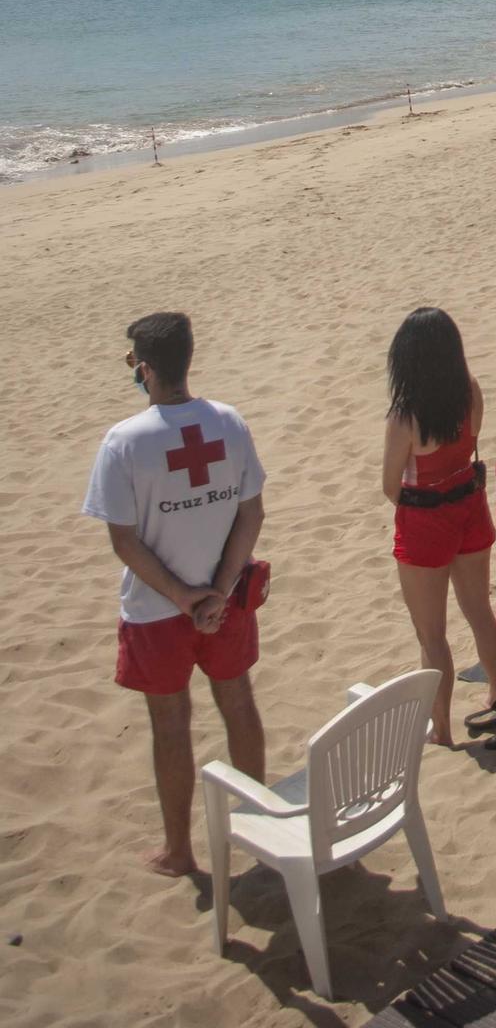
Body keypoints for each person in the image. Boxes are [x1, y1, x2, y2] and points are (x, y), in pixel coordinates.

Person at [82, 312, 266, 876]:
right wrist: (220, 589)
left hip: (156, 612)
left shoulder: (125, 441)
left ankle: (179, 851)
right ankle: (257, 829)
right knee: (238, 704)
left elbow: (124, 541)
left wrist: (187, 598)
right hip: (223, 602)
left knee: (171, 725)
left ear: (144, 368)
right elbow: (250, 514)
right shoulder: (228, 422)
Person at [383, 307, 496, 748]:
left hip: (426, 521)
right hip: (468, 504)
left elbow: (390, 486)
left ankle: (441, 731)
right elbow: (472, 439)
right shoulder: (469, 392)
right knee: (480, 610)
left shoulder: (405, 416)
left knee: (432, 634)